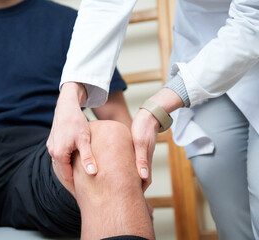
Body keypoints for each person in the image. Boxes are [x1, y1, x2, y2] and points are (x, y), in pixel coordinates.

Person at [0, 0, 155, 239]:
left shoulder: (74, 24)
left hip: (44, 162)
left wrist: (125, 188)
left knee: (110, 137)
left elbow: (115, 117)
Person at [48, 0, 259, 239]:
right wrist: (68, 97)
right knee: (224, 198)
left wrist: (158, 107)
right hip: (204, 44)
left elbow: (253, 20)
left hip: (250, 29)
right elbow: (105, 4)